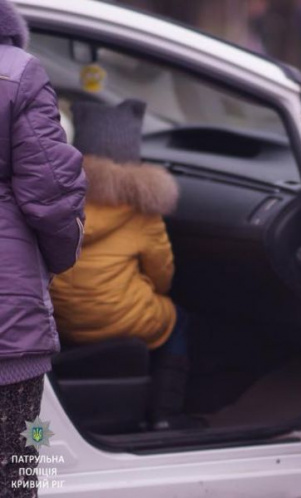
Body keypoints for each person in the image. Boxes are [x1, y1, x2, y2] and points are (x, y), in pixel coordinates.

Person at [48, 99, 194, 430]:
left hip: (60, 320)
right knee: (177, 320)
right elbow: (162, 274)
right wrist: (150, 291)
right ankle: (165, 415)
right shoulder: (141, 210)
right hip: (123, 320)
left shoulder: (55, 199)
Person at [0, 0, 87, 493]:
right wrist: (58, 259)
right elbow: (52, 195)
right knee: (16, 466)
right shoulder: (16, 72)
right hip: (7, 330)